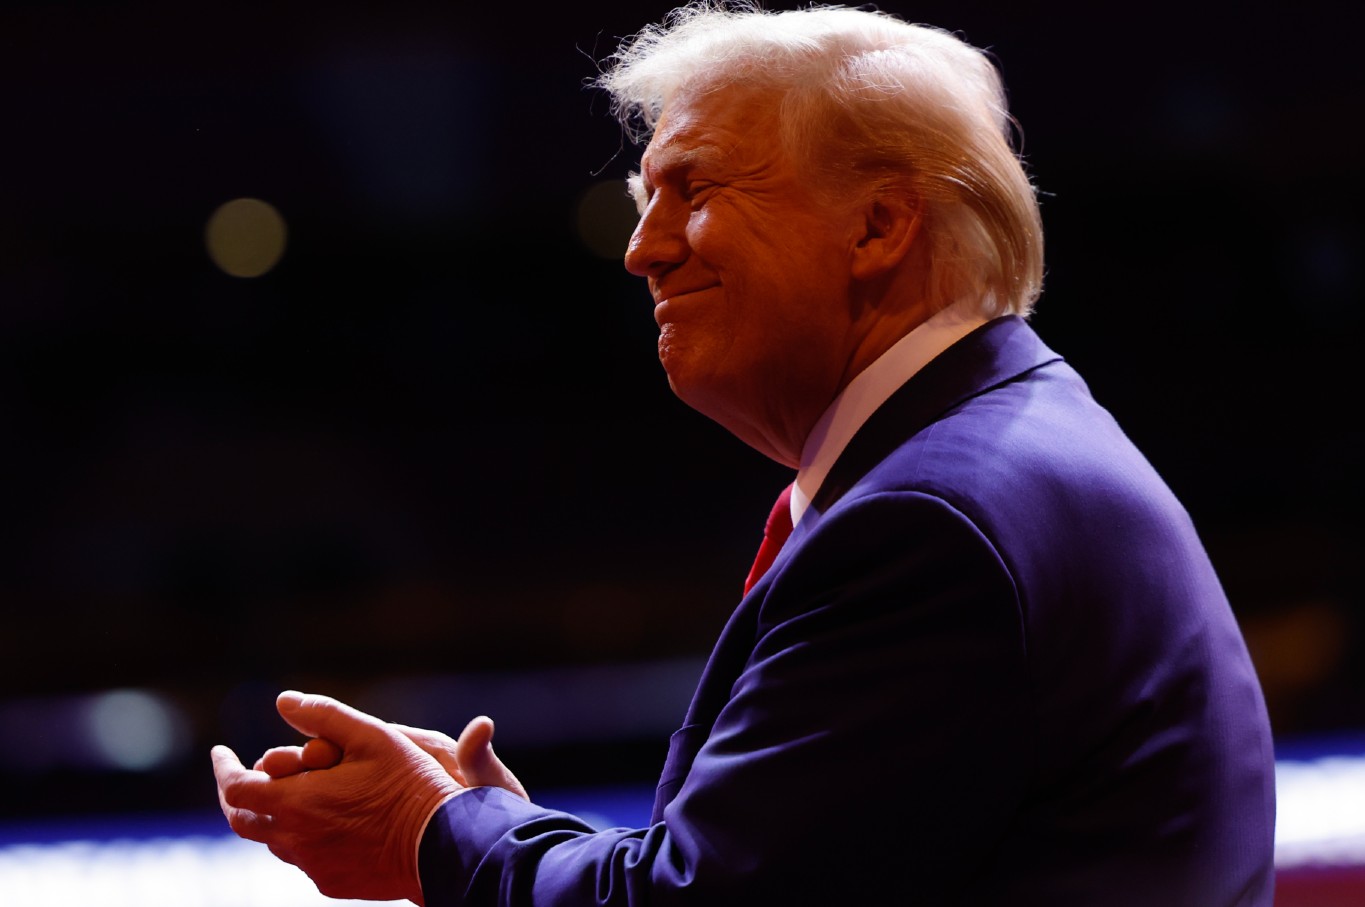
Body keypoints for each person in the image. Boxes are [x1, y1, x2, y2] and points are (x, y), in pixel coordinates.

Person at [211, 3, 1277, 905]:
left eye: (697, 190)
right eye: (644, 201)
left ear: (879, 224)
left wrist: (432, 829)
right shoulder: (999, 451)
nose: (641, 248)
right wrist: (501, 827)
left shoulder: (931, 524)